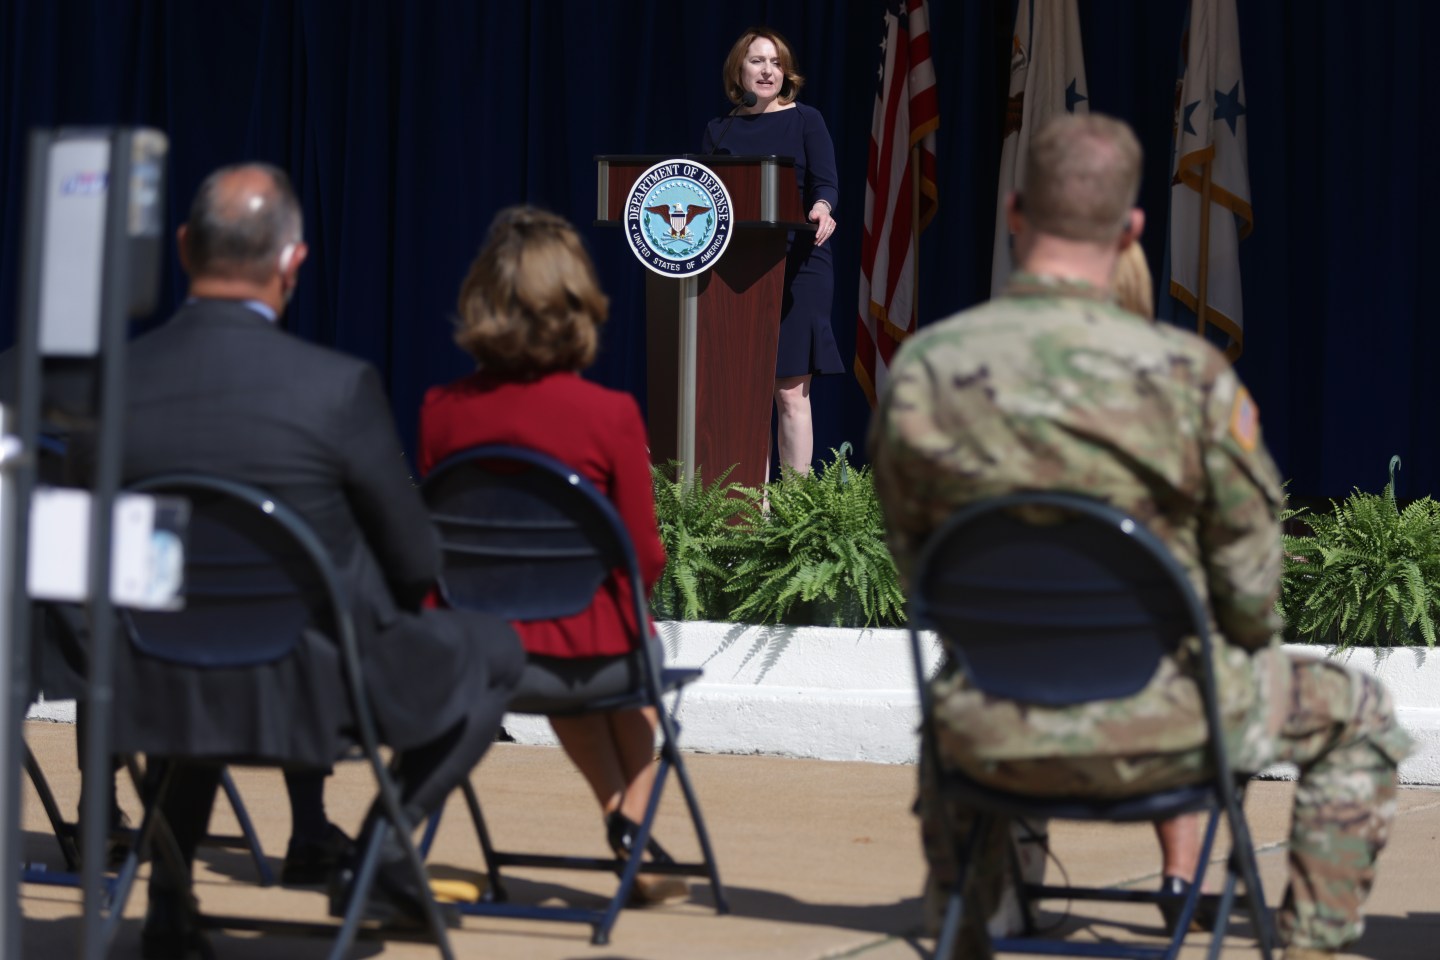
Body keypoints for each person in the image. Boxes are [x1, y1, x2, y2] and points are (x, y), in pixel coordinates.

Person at [868, 113, 1411, 960]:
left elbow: (921, 572)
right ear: (1131, 230)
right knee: (1362, 712)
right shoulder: (1191, 379)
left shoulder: (922, 372)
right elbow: (1251, 592)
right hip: (1169, 731)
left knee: (957, 685)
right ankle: (1311, 945)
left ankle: (968, 926)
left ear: (1014, 212)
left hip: (990, 728)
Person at [83, 162, 525, 958]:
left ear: (183, 248)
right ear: (293, 263)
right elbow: (415, 561)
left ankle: (171, 901)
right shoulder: (334, 388)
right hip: (312, 695)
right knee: (493, 648)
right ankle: (381, 854)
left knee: (201, 641)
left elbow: (81, 553)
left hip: (149, 680)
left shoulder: (110, 388)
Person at [418, 205, 687, 905]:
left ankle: (627, 831)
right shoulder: (609, 414)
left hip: (483, 656)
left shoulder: (441, 409)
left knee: (569, 650)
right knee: (624, 665)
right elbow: (644, 558)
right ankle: (632, 829)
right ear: (576, 302)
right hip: (588, 658)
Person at [702, 27, 842, 476]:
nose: (768, 71)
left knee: (789, 392)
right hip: (738, 270)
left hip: (800, 264)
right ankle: (751, 507)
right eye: (757, 61)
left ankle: (794, 509)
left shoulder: (806, 119)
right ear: (738, 71)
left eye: (776, 63)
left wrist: (822, 208)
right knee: (748, 396)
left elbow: (825, 185)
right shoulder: (719, 129)